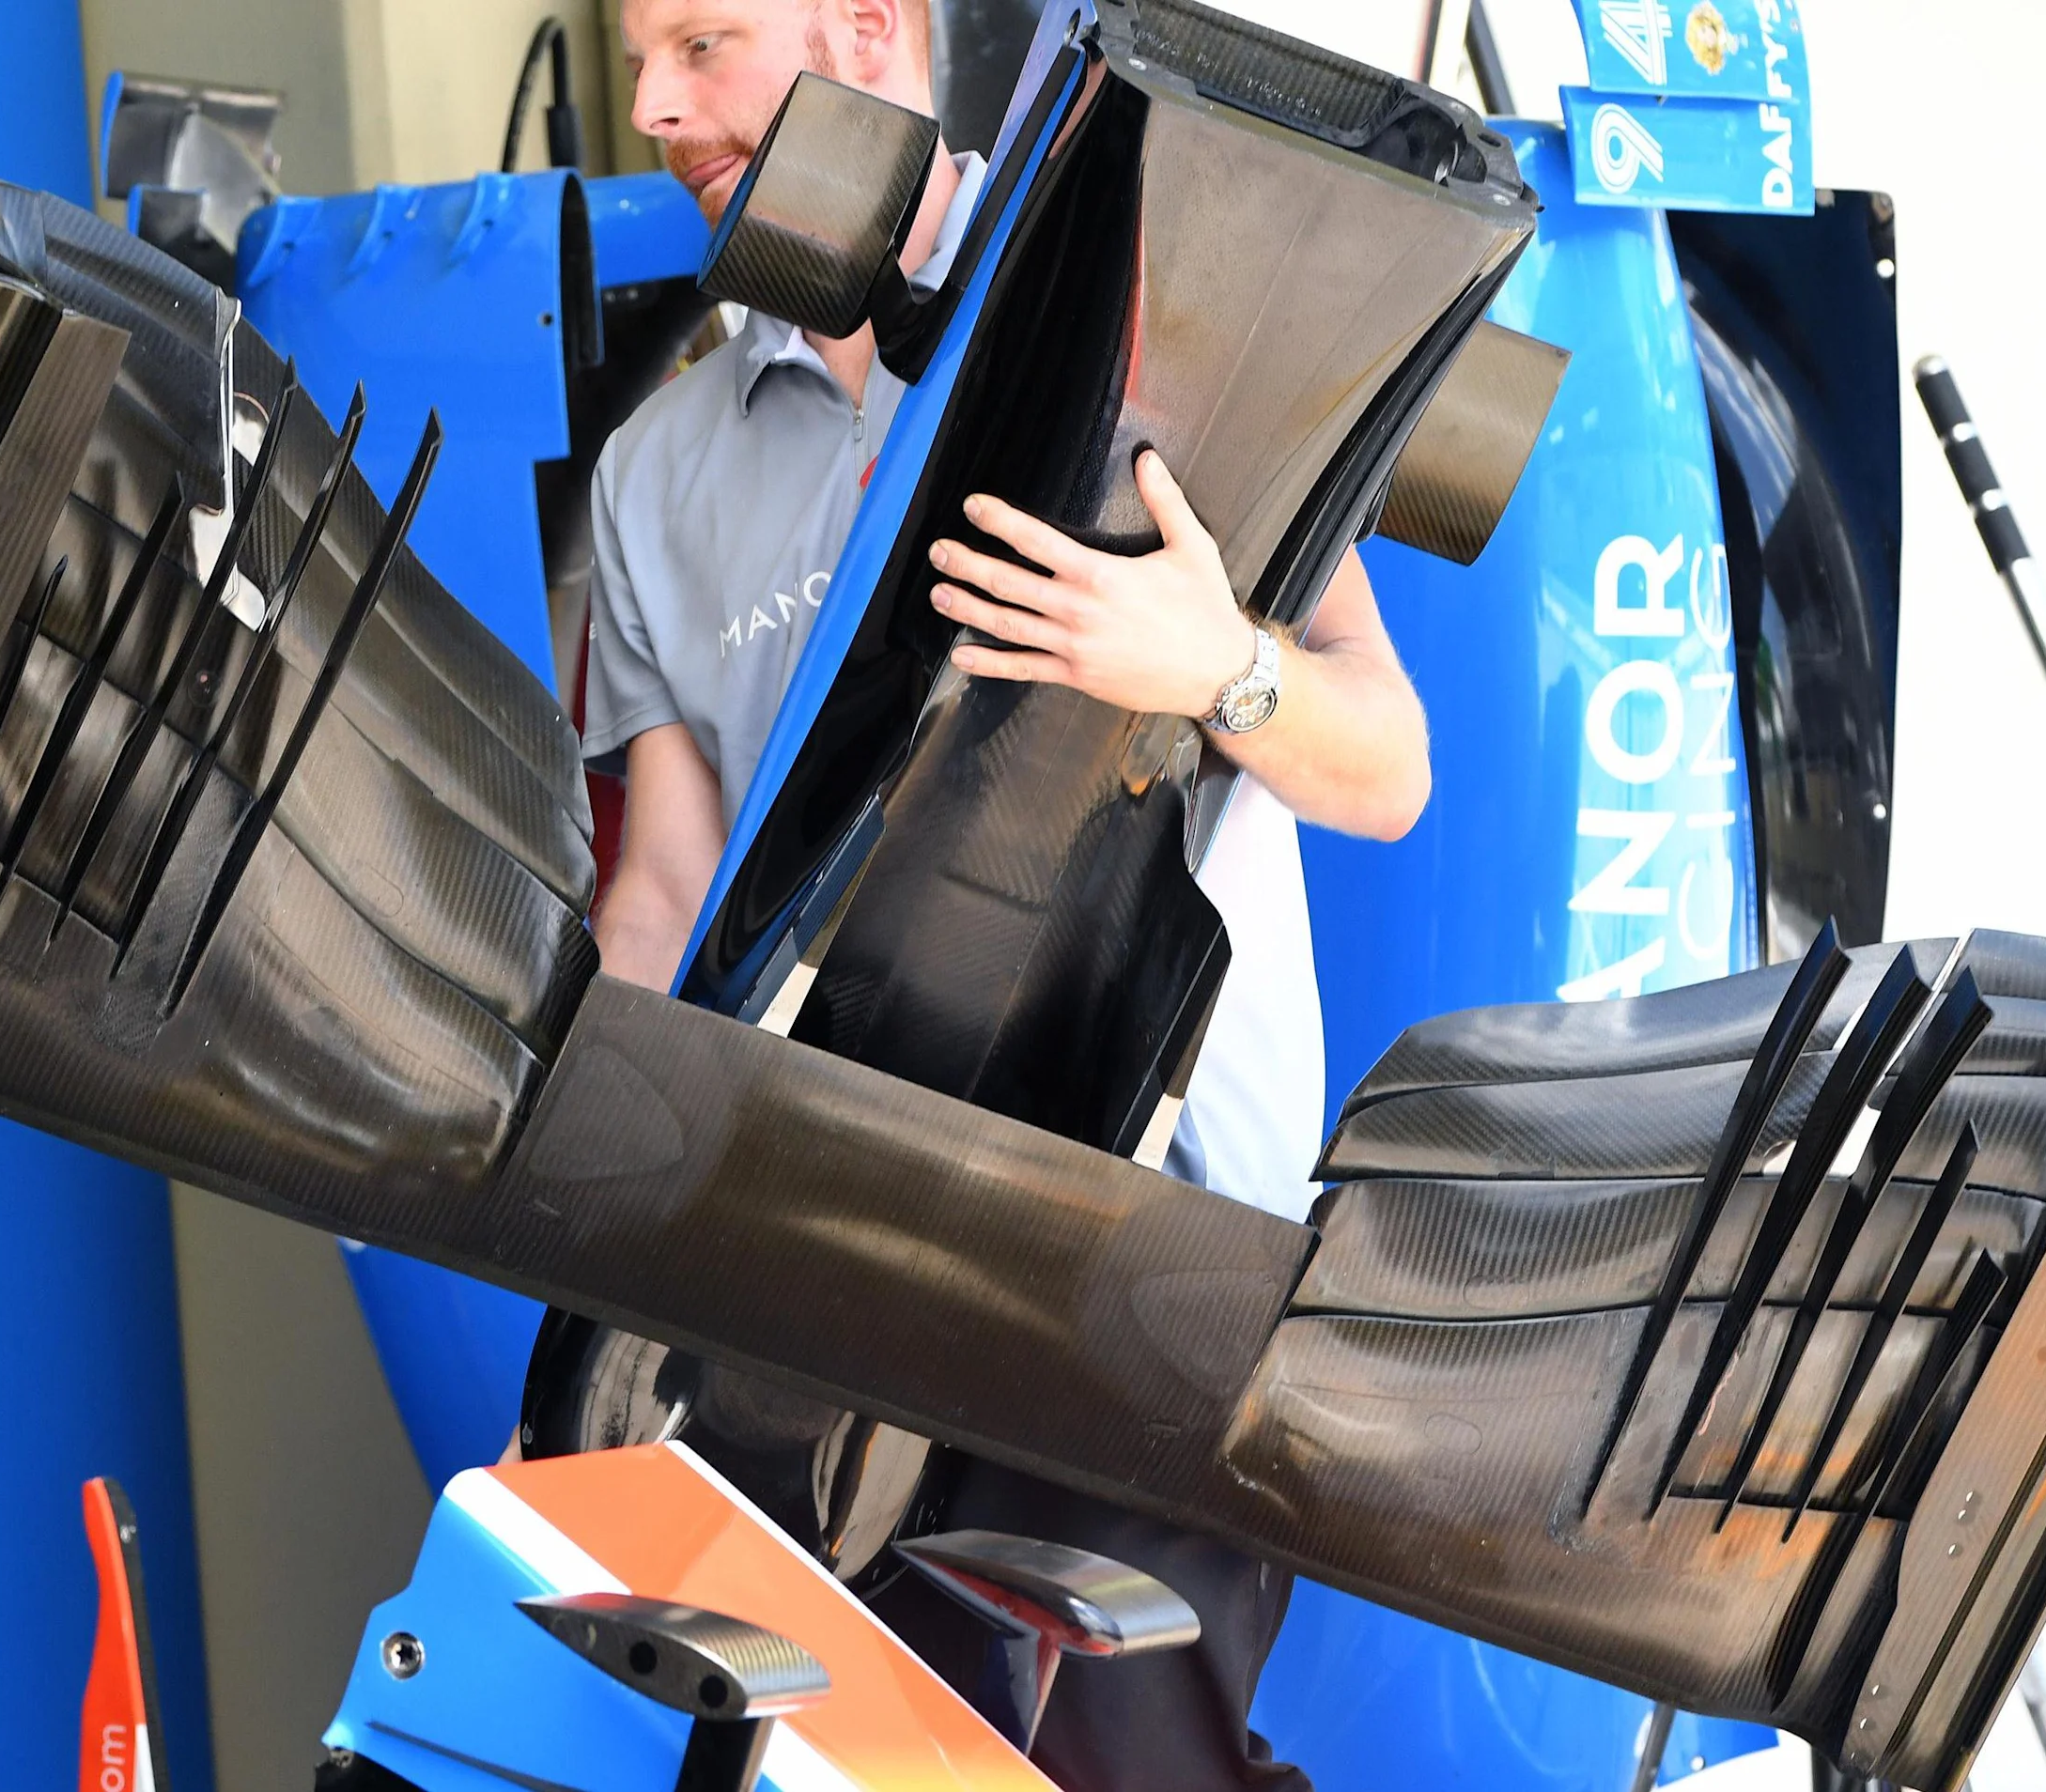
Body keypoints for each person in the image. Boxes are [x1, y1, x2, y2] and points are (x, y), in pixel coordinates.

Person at [581, 1, 1434, 1784]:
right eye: (638, 55)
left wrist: (1218, 664)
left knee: (1127, 1761)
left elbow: (1388, 766)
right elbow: (661, 892)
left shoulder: (1156, 321)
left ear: (865, 28)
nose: (654, 104)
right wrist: (588, 1231)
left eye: (703, 42)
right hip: (817, 1247)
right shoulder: (656, 470)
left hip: (1150, 1253)